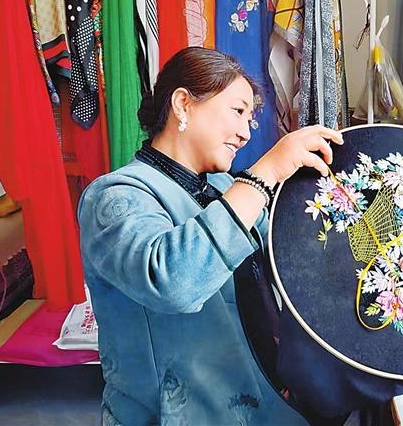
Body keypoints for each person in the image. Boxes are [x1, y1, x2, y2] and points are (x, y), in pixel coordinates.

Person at [77, 47, 343, 425]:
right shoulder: (114, 196)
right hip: (169, 415)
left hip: (257, 396)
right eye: (237, 111)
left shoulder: (222, 187)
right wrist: (265, 173)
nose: (245, 133)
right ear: (183, 104)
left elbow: (287, 257)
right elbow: (173, 283)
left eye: (250, 119)